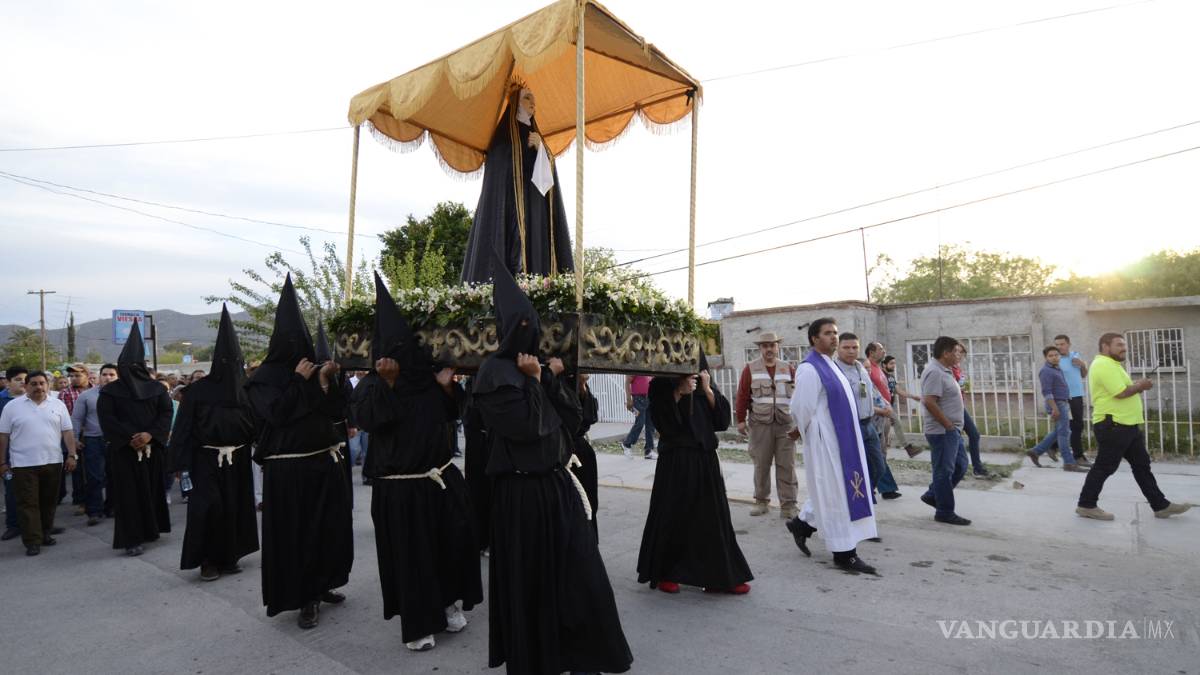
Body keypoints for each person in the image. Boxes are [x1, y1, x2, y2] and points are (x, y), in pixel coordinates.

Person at [472, 253, 632, 674]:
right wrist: (532, 381)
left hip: (558, 488)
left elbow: (574, 421)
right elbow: (528, 428)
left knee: (581, 573)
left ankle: (582, 653)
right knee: (531, 581)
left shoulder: (538, 371)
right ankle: (538, 659)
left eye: (534, 328)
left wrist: (545, 379)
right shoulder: (491, 375)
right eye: (522, 328)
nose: (530, 336)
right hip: (520, 496)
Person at [350, 273, 482, 652]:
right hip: (400, 489)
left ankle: (447, 603)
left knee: (450, 547)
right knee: (413, 559)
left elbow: (452, 414)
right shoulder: (371, 387)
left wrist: (446, 386)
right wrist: (388, 385)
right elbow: (371, 422)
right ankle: (419, 623)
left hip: (439, 479)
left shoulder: (427, 381)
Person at [246, 274, 353, 630]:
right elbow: (276, 415)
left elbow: (337, 414)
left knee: (326, 530)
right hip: (286, 472)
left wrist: (327, 383)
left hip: (323, 463)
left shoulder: (314, 373)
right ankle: (303, 596)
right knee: (297, 535)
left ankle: (323, 585)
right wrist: (298, 381)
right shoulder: (262, 381)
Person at [637, 352, 752, 595]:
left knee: (713, 518)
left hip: (705, 459)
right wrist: (678, 392)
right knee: (674, 515)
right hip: (676, 460)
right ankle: (668, 572)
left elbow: (721, 421)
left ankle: (719, 577)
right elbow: (664, 424)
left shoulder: (704, 381)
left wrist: (708, 390)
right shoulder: (660, 384)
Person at [167, 306, 260, 582]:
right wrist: (178, 462)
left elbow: (259, 423)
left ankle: (230, 556)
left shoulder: (247, 390)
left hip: (239, 457)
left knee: (235, 507)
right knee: (209, 508)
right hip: (205, 459)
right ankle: (207, 560)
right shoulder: (197, 391)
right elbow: (183, 427)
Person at [784, 319, 879, 574]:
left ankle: (802, 526)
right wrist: (810, 433)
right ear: (814, 338)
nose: (834, 337)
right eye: (828, 333)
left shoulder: (831, 366)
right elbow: (800, 408)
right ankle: (844, 554)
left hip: (843, 440)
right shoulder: (809, 369)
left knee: (837, 491)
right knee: (835, 493)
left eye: (835, 333)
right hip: (826, 441)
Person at [461, 82, 575, 282]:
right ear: (515, 102)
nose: (533, 104)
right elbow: (498, 168)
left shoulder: (537, 136)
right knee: (512, 246)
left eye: (534, 100)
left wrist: (542, 149)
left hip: (534, 207)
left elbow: (548, 180)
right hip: (509, 208)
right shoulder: (502, 139)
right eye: (527, 98)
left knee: (535, 245)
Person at [1076, 333, 1191, 521]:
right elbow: (1121, 393)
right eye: (1119, 344)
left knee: (1141, 466)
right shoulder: (1103, 365)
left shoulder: (1113, 365)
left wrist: (1137, 385)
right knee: (1105, 466)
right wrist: (1141, 386)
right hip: (1114, 425)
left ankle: (1160, 506)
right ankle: (1086, 504)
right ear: (1105, 346)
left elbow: (1122, 389)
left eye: (1124, 344)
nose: (1124, 348)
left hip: (1127, 424)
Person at [98, 321, 173, 556]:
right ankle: (131, 538)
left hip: (152, 449)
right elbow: (107, 419)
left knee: (151, 490)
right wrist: (130, 438)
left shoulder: (157, 389)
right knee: (128, 495)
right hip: (124, 451)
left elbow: (166, 413)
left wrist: (150, 434)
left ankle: (151, 529)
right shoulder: (110, 392)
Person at [0, 371, 77, 556]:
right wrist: (2, 462)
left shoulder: (58, 405)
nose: (39, 387)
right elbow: (3, 436)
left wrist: (72, 455)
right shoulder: (12, 407)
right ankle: (32, 541)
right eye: (33, 384)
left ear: (48, 385)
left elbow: (67, 431)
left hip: (53, 461)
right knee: (28, 504)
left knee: (48, 502)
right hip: (23, 464)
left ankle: (45, 534)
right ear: (26, 387)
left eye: (42, 383)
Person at [734, 332, 799, 519]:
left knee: (787, 465)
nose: (769, 349)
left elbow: (798, 396)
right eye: (765, 346)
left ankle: (788, 505)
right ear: (760, 348)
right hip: (760, 424)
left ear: (777, 347)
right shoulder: (750, 369)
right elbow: (742, 395)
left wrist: (799, 422)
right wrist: (740, 420)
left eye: (772, 345)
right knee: (761, 465)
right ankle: (761, 501)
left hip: (785, 424)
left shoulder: (788, 368)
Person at [832, 334, 893, 511]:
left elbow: (871, 392)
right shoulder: (834, 372)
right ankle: (861, 506)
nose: (851, 351)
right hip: (850, 427)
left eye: (854, 347)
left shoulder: (860, 368)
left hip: (869, 426)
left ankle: (865, 494)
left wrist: (884, 404)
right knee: (854, 471)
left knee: (879, 467)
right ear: (838, 348)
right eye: (846, 347)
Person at [917, 337, 972, 526]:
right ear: (946, 353)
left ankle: (934, 495)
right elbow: (929, 401)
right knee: (943, 471)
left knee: (960, 466)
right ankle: (945, 511)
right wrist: (948, 424)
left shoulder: (945, 370)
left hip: (952, 429)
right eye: (956, 351)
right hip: (942, 431)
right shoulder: (934, 372)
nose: (959, 354)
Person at [1027, 346, 1088, 473]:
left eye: (1056, 355)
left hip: (1063, 402)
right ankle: (1069, 463)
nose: (1054, 357)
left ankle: (1036, 451)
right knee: (1064, 433)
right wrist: (1055, 408)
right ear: (1046, 357)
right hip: (1057, 404)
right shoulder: (1046, 371)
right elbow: (1047, 392)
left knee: (1059, 431)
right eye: (1051, 355)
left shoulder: (1057, 368)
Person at [72, 364, 118, 526]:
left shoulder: (124, 395)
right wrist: (75, 438)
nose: (108, 377)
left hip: (116, 440)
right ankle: (94, 511)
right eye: (105, 374)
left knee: (115, 476)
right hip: (93, 440)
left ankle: (112, 507)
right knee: (94, 477)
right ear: (99, 377)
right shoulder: (86, 396)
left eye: (112, 374)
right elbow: (77, 418)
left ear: (117, 376)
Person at [866, 344, 919, 458]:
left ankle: (884, 468)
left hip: (886, 408)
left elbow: (895, 389)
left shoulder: (879, 369)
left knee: (884, 445)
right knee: (879, 445)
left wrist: (912, 396)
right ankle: (906, 448)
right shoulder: (867, 367)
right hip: (877, 411)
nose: (884, 351)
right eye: (880, 349)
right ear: (871, 352)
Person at [950, 345, 991, 478]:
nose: (959, 354)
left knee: (972, 435)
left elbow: (959, 386)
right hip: (952, 408)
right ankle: (972, 468)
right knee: (964, 436)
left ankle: (976, 468)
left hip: (959, 406)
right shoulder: (948, 369)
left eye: (962, 352)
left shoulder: (957, 368)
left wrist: (963, 387)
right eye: (956, 351)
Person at [569, 372, 601, 536]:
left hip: (582, 451)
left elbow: (591, 416)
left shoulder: (582, 386)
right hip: (565, 451)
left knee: (589, 501)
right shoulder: (562, 384)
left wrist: (582, 387)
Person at [1053, 334, 1091, 465]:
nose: (1059, 347)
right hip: (1063, 396)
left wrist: (1083, 365)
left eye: (1062, 344)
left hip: (1076, 395)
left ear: (1068, 344)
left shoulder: (1075, 355)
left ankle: (1052, 447)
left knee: (1077, 425)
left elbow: (1083, 375)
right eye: (1057, 345)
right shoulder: (1055, 360)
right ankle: (1078, 456)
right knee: (1068, 426)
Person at [1, 366, 29, 541]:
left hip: (31, 453)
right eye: (18, 379)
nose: (22, 383)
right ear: (8, 382)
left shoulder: (33, 399)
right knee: (12, 490)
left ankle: (40, 524)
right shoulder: (2, 401)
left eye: (24, 380)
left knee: (34, 491)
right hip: (8, 454)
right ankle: (13, 525)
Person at [59, 363, 91, 512]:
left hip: (95, 433)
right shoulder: (65, 393)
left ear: (87, 375)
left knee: (96, 468)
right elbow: (66, 418)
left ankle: (96, 499)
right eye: (71, 376)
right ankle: (81, 501)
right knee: (78, 469)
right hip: (74, 433)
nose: (73, 378)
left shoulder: (96, 390)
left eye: (77, 375)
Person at [621, 374, 656, 459]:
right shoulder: (635, 368)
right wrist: (629, 399)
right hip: (638, 399)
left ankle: (649, 451)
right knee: (640, 422)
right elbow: (627, 382)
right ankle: (626, 444)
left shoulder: (647, 368)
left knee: (650, 425)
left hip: (649, 397)